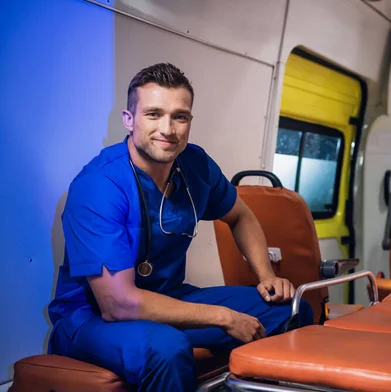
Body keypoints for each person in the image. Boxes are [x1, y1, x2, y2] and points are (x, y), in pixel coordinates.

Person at [47, 63, 313, 391]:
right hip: (93, 318)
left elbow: (241, 217)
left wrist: (267, 276)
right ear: (129, 120)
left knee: (292, 309)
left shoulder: (195, 164)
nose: (168, 129)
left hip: (168, 298)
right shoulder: (99, 187)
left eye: (180, 117)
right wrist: (224, 317)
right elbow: (118, 304)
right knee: (166, 348)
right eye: (154, 114)